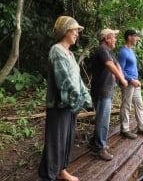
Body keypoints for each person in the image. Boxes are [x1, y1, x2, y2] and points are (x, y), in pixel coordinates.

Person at [38, 16, 93, 181]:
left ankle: (61, 170)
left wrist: (87, 98)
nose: (77, 34)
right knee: (56, 141)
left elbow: (77, 80)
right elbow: (65, 81)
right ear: (65, 31)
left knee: (67, 138)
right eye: (74, 30)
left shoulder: (70, 53)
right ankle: (49, 176)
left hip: (70, 104)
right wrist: (78, 98)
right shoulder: (57, 50)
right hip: (59, 104)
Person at [89, 28, 128, 161]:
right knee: (103, 120)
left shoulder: (109, 52)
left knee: (103, 118)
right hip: (101, 91)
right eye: (113, 37)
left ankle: (95, 143)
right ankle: (100, 148)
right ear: (106, 39)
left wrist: (121, 76)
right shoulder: (101, 50)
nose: (115, 40)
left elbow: (117, 66)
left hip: (107, 90)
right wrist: (122, 80)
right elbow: (110, 65)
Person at [118, 29, 143, 139]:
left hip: (135, 82)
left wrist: (136, 79)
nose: (137, 38)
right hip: (128, 83)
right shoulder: (123, 52)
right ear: (129, 37)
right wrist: (130, 79)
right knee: (126, 105)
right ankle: (125, 129)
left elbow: (131, 68)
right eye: (135, 36)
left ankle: (141, 127)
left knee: (139, 103)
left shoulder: (131, 51)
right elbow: (120, 70)